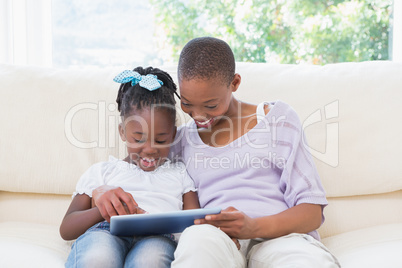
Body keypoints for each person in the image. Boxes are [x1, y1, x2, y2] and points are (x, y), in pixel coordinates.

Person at [92, 37, 340, 267]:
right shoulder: (181, 140)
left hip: (281, 237)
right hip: (215, 239)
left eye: (211, 105)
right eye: (187, 104)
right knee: (197, 243)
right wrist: (101, 189)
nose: (199, 116)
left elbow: (312, 212)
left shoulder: (277, 120)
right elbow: (139, 161)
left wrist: (253, 227)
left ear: (234, 83)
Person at [60, 66, 200, 268]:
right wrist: (105, 210)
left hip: (157, 238)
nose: (150, 149)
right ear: (123, 132)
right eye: (138, 139)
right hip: (105, 231)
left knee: (150, 261)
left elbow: (194, 222)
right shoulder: (103, 172)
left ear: (173, 135)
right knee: (98, 258)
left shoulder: (180, 174)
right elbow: (67, 229)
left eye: (161, 140)